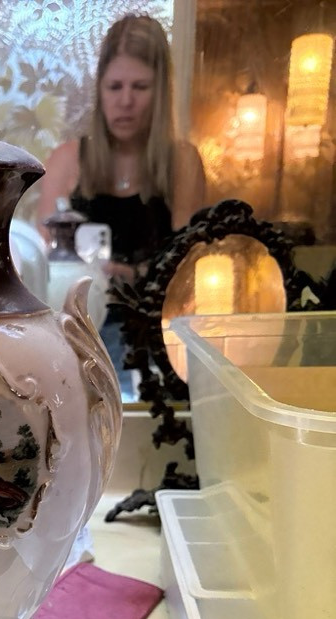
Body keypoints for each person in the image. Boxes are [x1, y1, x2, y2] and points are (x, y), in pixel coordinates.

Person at [36, 14, 206, 396]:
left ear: (160, 91)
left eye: (140, 86)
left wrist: (129, 273)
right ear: (100, 89)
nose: (125, 101)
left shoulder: (182, 163)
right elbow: (41, 271)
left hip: (156, 339)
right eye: (114, 86)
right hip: (77, 340)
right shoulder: (66, 161)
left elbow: (189, 272)